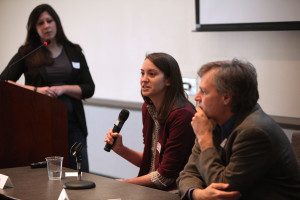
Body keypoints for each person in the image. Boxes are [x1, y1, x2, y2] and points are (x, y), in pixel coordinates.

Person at [177, 59, 300, 200]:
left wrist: (205, 138)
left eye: (204, 92)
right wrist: (197, 194)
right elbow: (188, 173)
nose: (197, 97)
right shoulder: (210, 121)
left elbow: (224, 188)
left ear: (226, 97)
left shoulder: (254, 131)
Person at [0, 4, 94, 172]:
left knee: (80, 174)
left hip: (73, 124)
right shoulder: (27, 52)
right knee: (45, 177)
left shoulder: (74, 52)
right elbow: (4, 82)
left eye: (49, 20)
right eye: (40, 23)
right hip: (39, 124)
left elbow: (89, 88)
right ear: (35, 29)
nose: (46, 26)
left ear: (56, 22)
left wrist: (64, 89)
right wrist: (38, 91)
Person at [104, 52, 195, 190]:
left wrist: (123, 184)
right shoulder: (148, 108)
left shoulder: (182, 115)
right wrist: (120, 149)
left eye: (152, 74)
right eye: (142, 73)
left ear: (168, 80)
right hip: (154, 190)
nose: (144, 79)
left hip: (176, 191)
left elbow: (164, 177)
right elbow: (152, 162)